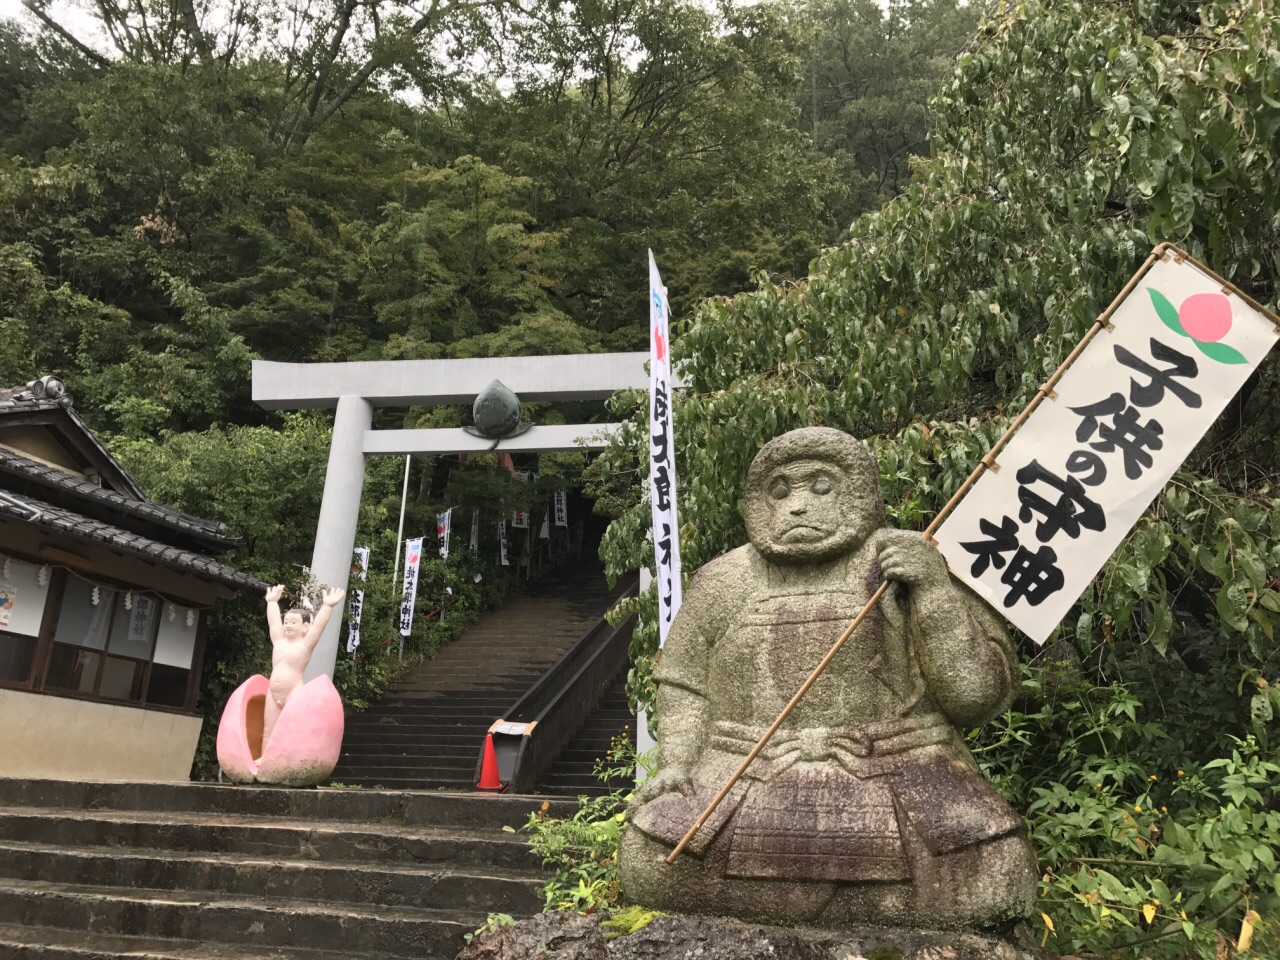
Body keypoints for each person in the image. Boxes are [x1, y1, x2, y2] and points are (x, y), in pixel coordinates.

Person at [618, 427, 1038, 930]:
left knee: (996, 874)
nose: (796, 506)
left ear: (859, 492)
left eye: (820, 486)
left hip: (899, 766)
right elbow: (685, 683)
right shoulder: (723, 581)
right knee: (648, 860)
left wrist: (933, 589)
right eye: (780, 490)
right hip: (742, 770)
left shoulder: (905, 560)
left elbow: (973, 697)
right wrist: (677, 763)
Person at [262, 584, 345, 755]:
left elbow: (318, 628)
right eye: (286, 622)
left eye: (294, 622)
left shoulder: (305, 645)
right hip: (273, 692)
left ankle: (288, 759)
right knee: (268, 729)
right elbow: (273, 622)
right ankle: (265, 758)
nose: (288, 625)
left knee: (293, 728)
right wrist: (271, 602)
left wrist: (327, 606)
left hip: (293, 691)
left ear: (305, 627)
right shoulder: (279, 641)